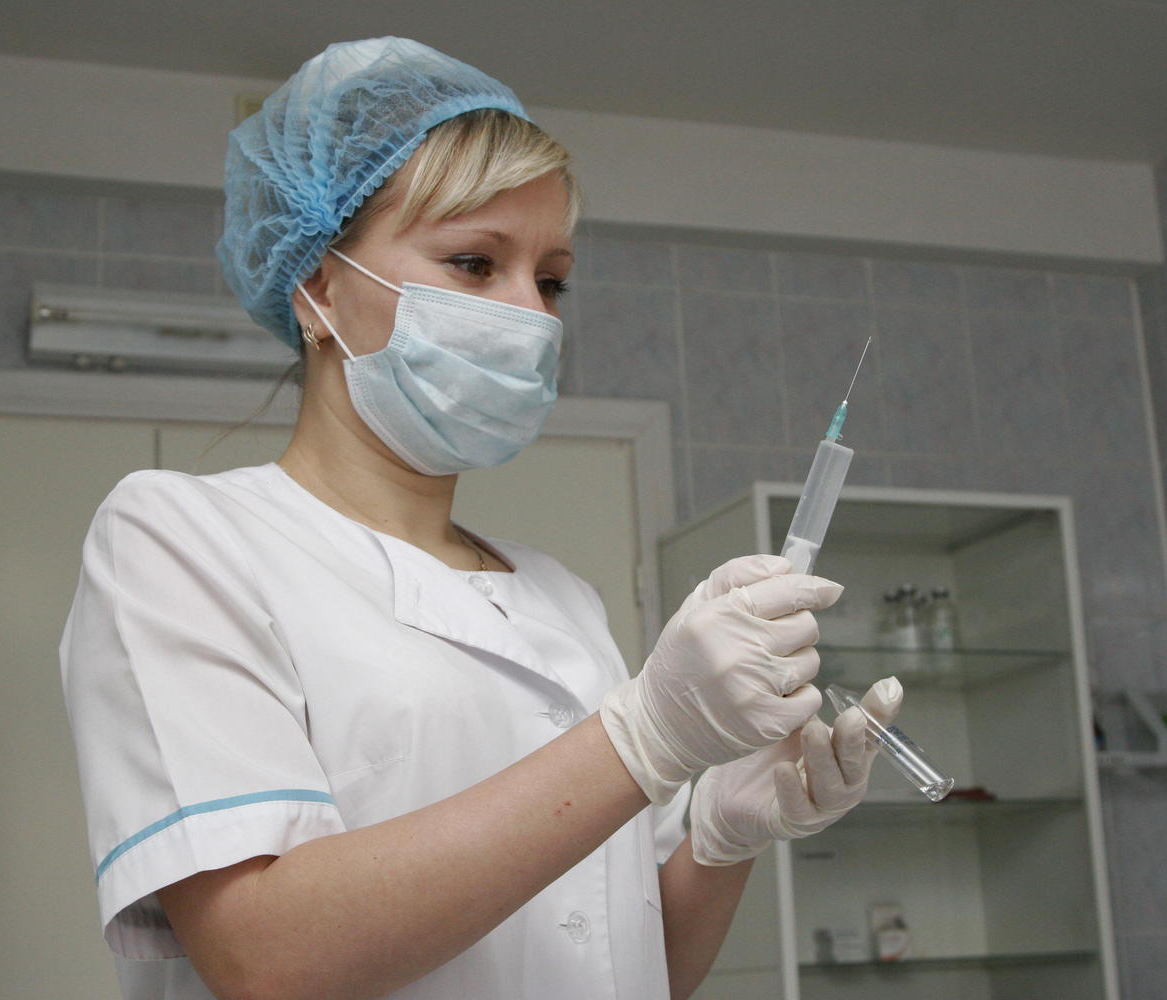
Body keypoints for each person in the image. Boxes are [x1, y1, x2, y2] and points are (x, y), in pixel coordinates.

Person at [60, 36, 903, 1000]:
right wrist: (642, 741)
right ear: (318, 287)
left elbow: (635, 967)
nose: (531, 315)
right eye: (474, 263)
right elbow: (264, 956)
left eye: (551, 279)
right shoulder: (183, 539)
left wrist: (719, 837)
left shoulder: (561, 599)